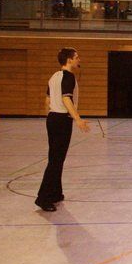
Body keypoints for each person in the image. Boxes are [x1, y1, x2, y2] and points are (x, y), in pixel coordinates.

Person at [35, 48, 90, 212]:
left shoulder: (54, 76)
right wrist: (77, 119)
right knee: (56, 160)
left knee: (56, 158)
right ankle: (43, 198)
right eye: (77, 57)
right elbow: (66, 99)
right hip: (61, 120)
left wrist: (50, 117)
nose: (79, 60)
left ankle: (55, 193)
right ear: (69, 59)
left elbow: (47, 100)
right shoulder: (68, 77)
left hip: (53, 118)